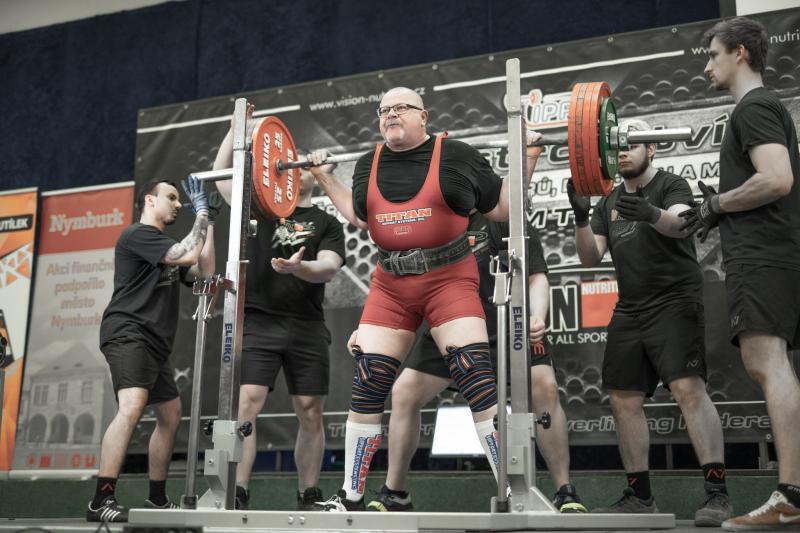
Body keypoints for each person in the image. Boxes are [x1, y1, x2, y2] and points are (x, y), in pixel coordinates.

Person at [308, 86, 542, 511]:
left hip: (448, 279)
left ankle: (515, 491)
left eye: (401, 107)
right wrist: (324, 177)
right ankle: (352, 497)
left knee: (475, 376)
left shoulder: (458, 156)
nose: (391, 114)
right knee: (369, 380)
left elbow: (503, 209)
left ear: (424, 116)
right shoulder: (367, 164)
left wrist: (527, 156)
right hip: (391, 284)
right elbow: (360, 217)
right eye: (384, 109)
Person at [364, 210, 587, 513]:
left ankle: (565, 491)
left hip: (509, 324)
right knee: (404, 392)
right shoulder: (430, 222)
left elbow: (536, 277)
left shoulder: (503, 218)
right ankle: (395, 492)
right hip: (450, 323)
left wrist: (536, 316)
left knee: (544, 387)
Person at [568, 119, 732, 526]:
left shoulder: (671, 184)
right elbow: (590, 258)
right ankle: (640, 497)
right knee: (622, 398)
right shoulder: (608, 200)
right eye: (618, 145)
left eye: (633, 143)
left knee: (688, 389)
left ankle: (717, 494)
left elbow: (681, 224)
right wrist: (582, 218)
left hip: (675, 299)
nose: (623, 150)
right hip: (631, 307)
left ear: (652, 148)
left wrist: (651, 213)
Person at [680, 17, 800, 530]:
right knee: (766, 362)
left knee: (767, 362)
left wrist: (717, 204)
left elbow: (776, 178)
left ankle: (790, 495)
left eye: (713, 55)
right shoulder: (759, 108)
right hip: (769, 252)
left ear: (740, 54)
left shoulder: (754, 107)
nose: (707, 67)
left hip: (763, 254)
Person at [214, 105, 346, 511]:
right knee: (248, 402)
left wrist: (298, 267)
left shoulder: (326, 222)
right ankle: (238, 492)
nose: (296, 167)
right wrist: (237, 129)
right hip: (260, 320)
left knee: (310, 410)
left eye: (304, 164)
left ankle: (308, 494)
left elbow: (329, 267)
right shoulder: (258, 208)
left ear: (312, 174)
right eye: (292, 162)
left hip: (306, 325)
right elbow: (221, 174)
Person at [87, 177, 215, 523]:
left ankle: (157, 500)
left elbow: (205, 275)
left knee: (170, 414)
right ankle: (101, 500)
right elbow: (187, 253)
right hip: (128, 332)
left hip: (154, 343)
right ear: (149, 200)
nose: (178, 204)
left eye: (179, 199)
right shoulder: (137, 235)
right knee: (131, 407)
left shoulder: (166, 245)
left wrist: (210, 224)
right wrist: (201, 214)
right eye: (171, 197)